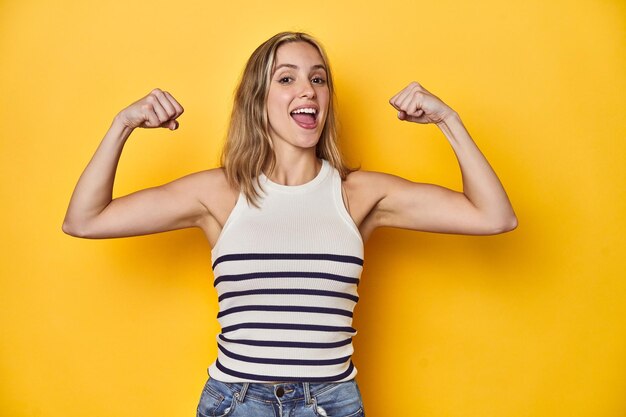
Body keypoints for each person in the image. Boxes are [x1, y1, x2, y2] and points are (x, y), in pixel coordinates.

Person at [63, 31, 516, 417]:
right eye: (287, 78)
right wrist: (122, 124)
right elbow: (85, 219)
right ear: (257, 100)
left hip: (330, 402)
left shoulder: (359, 195)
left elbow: (494, 216)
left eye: (318, 78)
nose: (309, 90)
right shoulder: (218, 192)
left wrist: (447, 120)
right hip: (237, 402)